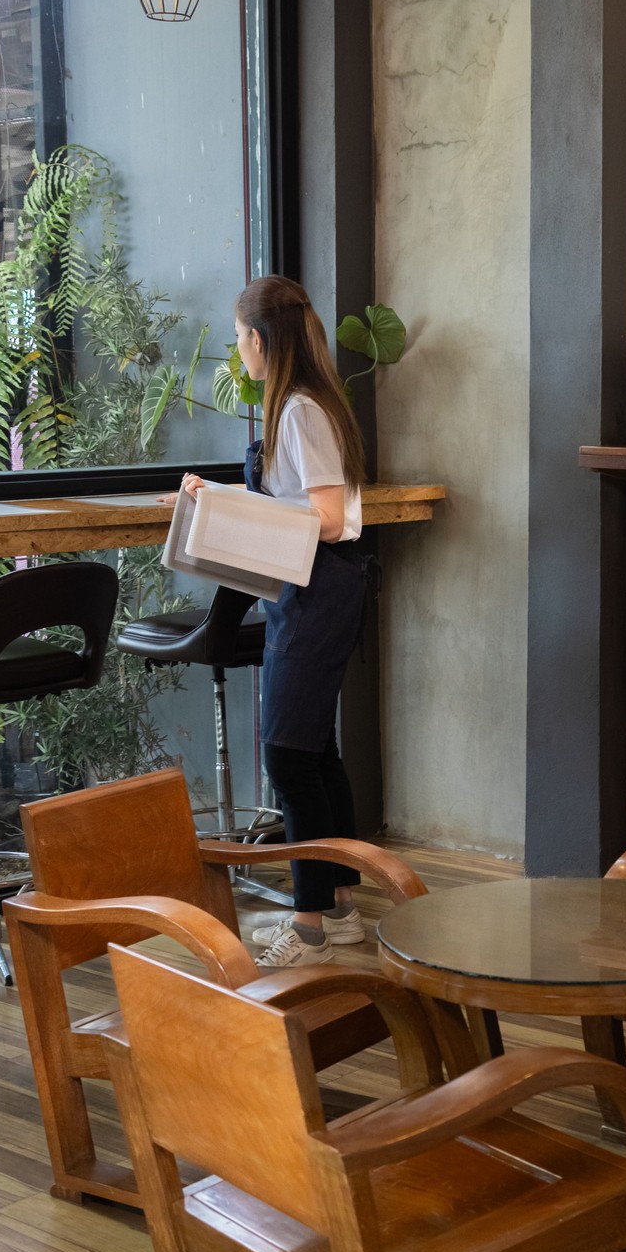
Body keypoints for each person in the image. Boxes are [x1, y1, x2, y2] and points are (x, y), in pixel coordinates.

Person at [172, 275, 371, 967]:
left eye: (238, 337)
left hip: (319, 590)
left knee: (288, 754)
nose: (238, 349)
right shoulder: (302, 402)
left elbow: (329, 518)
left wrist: (233, 505)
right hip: (313, 590)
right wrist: (219, 495)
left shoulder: (301, 410)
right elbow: (295, 499)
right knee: (312, 751)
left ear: (259, 339)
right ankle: (338, 910)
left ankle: (309, 926)